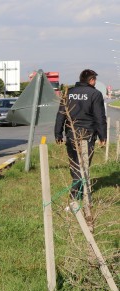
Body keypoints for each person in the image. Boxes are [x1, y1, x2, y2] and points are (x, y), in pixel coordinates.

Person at [54, 69, 107, 200]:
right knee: (84, 164)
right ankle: (76, 194)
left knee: (74, 163)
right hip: (87, 134)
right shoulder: (95, 94)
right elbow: (99, 117)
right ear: (91, 80)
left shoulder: (69, 93)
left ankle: (79, 191)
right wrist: (102, 136)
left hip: (71, 133)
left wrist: (58, 134)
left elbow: (61, 114)